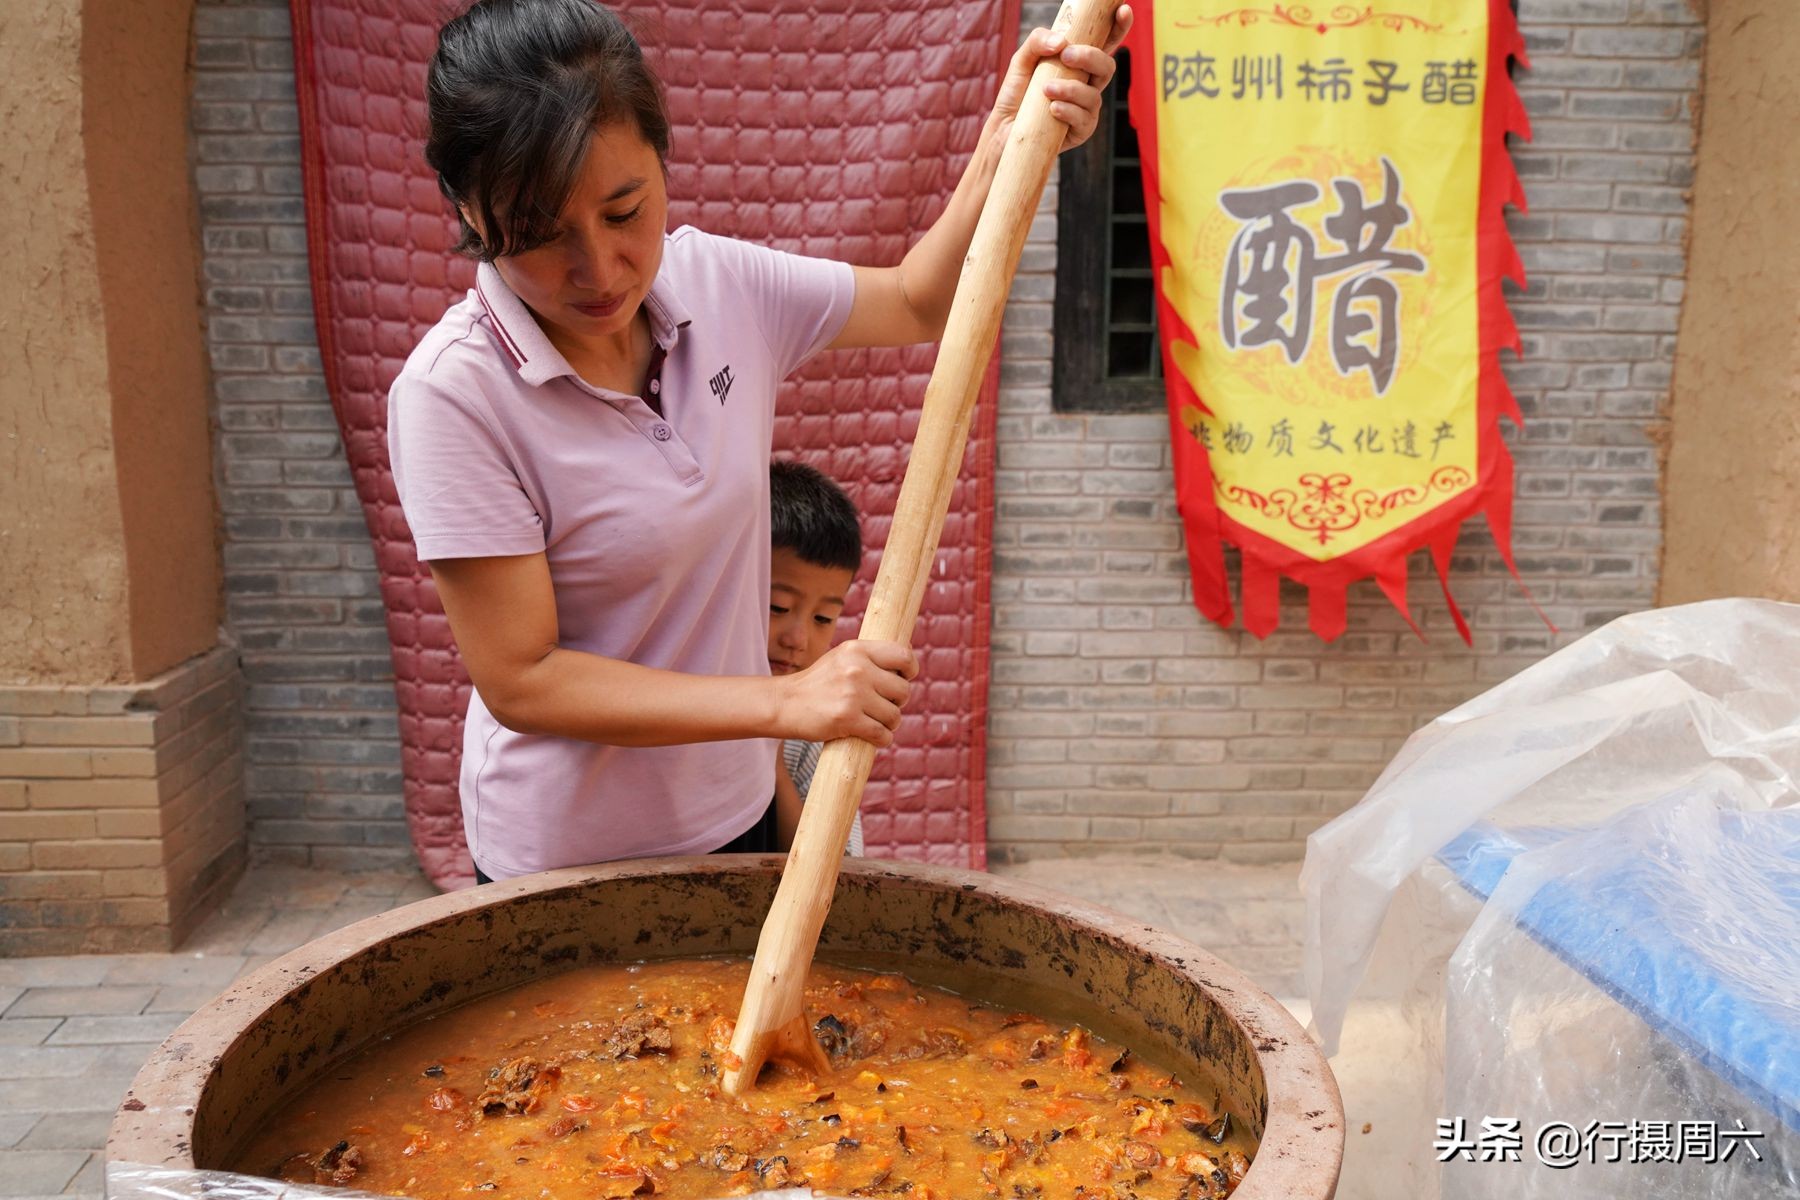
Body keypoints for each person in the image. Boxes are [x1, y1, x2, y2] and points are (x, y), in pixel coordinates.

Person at [388, 0, 1131, 882]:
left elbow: (918, 299)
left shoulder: (717, 281)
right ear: (471, 211)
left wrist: (1010, 142)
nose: (599, 269)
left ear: (663, 161)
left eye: (625, 212)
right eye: (540, 237)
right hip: (566, 861)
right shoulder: (454, 395)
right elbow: (524, 680)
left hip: (734, 815)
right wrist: (786, 700)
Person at [766, 461, 866, 856]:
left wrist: (770, 767)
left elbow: (838, 867)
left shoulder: (815, 732)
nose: (797, 638)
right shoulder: (680, 703)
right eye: (777, 606)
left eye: (824, 618)